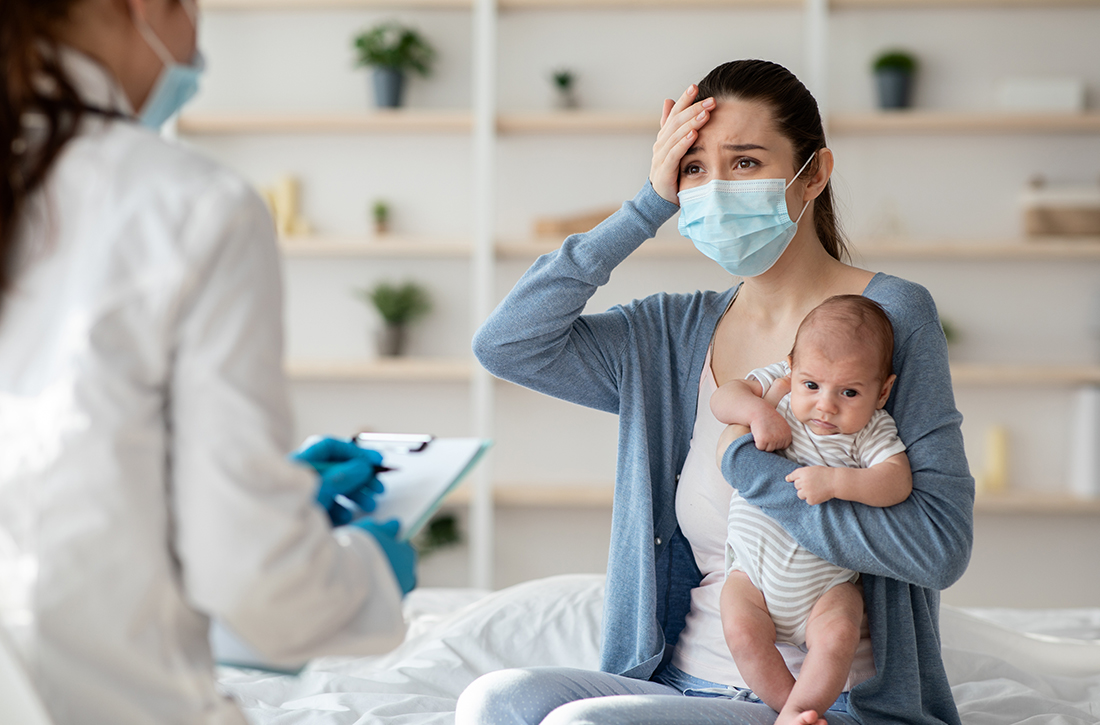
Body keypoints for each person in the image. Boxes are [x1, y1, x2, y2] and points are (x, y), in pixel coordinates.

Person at [458, 58, 973, 725]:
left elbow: (938, 546)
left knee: (582, 724)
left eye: (745, 163)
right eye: (695, 169)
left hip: (830, 702)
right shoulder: (670, 331)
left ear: (813, 174)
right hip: (681, 682)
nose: (716, 189)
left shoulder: (886, 317)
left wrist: (752, 471)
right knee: (496, 700)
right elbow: (506, 342)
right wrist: (647, 206)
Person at [0, 1, 415, 723]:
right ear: (146, 10)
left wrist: (250, 493)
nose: (194, 50)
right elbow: (263, 589)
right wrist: (368, 570)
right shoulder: (187, 205)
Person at [712, 295, 912, 725]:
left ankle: (803, 711)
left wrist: (838, 480)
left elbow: (896, 481)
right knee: (741, 632)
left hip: (826, 586)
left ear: (883, 392)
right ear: (791, 366)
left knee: (839, 634)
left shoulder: (871, 431)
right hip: (752, 573)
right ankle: (791, 710)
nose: (826, 405)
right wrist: (757, 411)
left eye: (849, 392)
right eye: (812, 385)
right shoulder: (778, 388)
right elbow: (723, 398)